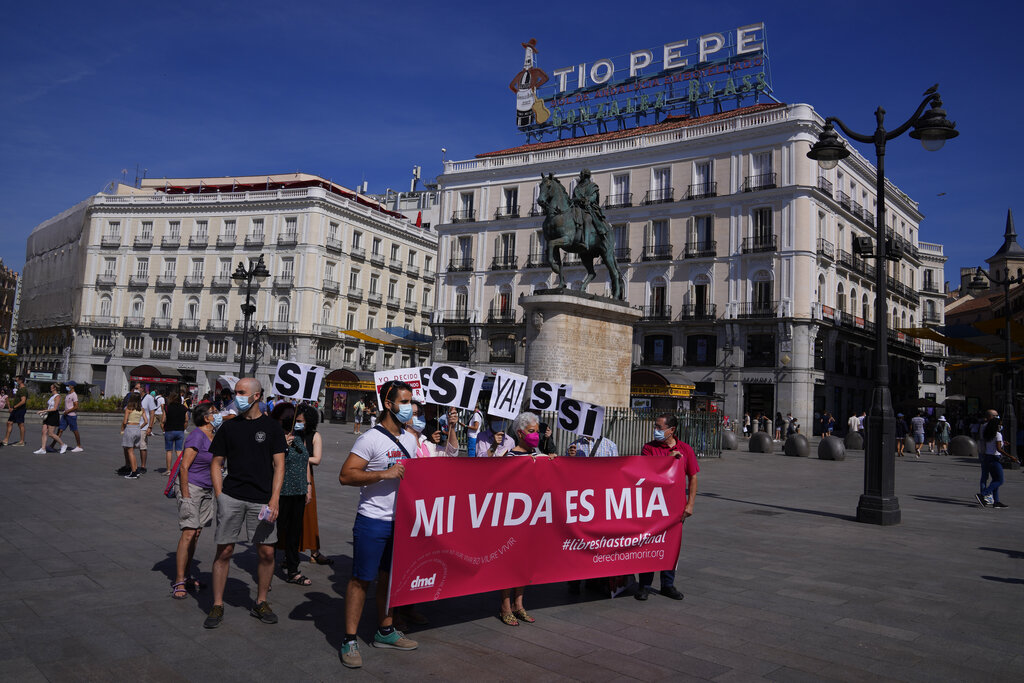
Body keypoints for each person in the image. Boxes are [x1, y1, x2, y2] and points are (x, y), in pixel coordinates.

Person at [338, 380, 419, 668]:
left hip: (402, 523)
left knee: (389, 578)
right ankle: (349, 638)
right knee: (361, 579)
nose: (410, 407)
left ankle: (385, 630)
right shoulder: (370, 439)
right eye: (405, 401)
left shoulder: (411, 438)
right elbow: (346, 475)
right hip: (373, 520)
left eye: (411, 401)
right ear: (389, 404)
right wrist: (382, 474)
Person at [203, 378, 287, 630]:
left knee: (267, 552)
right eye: (235, 392)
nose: (236, 396)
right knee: (225, 550)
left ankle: (261, 601)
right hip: (232, 497)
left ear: (257, 396)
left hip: (262, 499)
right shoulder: (229, 428)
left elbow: (279, 465)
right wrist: (220, 495)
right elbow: (216, 463)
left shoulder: (272, 427)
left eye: (241, 392)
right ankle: (217, 603)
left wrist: (274, 498)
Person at [496, 411, 552, 626]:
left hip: (532, 518)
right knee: (508, 564)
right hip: (511, 519)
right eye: (531, 431)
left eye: (537, 431)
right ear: (520, 433)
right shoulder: (508, 457)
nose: (535, 435)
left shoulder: (540, 457)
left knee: (524, 563)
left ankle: (519, 604)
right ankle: (505, 606)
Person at [636, 414, 699, 602]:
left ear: (672, 430)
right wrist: (667, 459)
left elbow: (693, 477)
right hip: (652, 506)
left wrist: (690, 503)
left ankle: (667, 585)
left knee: (671, 545)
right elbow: (645, 473)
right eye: (656, 426)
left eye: (659, 427)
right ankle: (644, 585)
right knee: (648, 545)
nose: (656, 430)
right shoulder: (649, 448)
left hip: (675, 507)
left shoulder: (686, 449)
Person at [170, 403, 220, 599]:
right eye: (214, 413)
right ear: (206, 418)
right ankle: (179, 579)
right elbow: (184, 467)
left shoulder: (214, 436)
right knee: (189, 533)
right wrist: (186, 495)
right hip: (191, 487)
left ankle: (188, 574)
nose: (217, 415)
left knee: (196, 533)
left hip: (207, 489)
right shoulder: (197, 436)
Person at [270, 403, 313, 586]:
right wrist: (282, 446)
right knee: (276, 532)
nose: (294, 421)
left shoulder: (299, 437)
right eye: (289, 418)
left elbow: (306, 462)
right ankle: (267, 570)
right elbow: (271, 464)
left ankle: (293, 569)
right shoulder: (275, 436)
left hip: (299, 489)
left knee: (295, 532)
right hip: (282, 490)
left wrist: (308, 485)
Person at [298, 404, 333, 566]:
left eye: (301, 421)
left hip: (306, 477)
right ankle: (291, 551)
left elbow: (317, 459)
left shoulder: (314, 436)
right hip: (289, 477)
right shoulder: (291, 434)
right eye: (296, 420)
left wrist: (300, 456)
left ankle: (314, 551)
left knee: (309, 515)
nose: (298, 423)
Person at [977, 411, 1018, 508]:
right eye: (1000, 424)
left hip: (987, 457)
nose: (1001, 426)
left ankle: (996, 501)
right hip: (995, 458)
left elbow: (994, 444)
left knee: (994, 480)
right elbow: (999, 449)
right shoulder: (998, 434)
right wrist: (1011, 456)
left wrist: (1003, 443)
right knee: (1000, 480)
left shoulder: (989, 433)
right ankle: (983, 494)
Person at [35, 384, 67, 454]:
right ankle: (43, 449)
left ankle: (63, 445)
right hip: (48, 415)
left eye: (51, 387)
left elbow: (55, 408)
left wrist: (43, 411)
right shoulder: (52, 396)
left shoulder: (57, 396)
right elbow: (50, 407)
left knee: (51, 433)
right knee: (44, 432)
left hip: (54, 415)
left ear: (54, 388)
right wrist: (44, 412)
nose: (50, 388)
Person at [162, 391, 188, 473]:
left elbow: (163, 420)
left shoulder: (167, 407)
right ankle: (181, 469)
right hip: (180, 430)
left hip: (169, 430)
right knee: (179, 451)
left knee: (169, 451)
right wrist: (183, 428)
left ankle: (168, 470)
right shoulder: (184, 408)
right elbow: (186, 420)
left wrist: (163, 429)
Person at [53, 381, 83, 452]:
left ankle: (79, 446)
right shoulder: (68, 394)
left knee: (75, 430)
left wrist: (68, 411)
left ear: (72, 386)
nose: (67, 386)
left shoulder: (74, 395)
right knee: (60, 430)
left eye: (68, 385)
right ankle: (52, 445)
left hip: (71, 416)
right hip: (65, 415)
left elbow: (76, 406)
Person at [119, 394, 145, 478]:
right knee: (131, 451)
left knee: (130, 451)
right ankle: (135, 469)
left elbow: (124, 421)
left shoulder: (128, 409)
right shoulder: (141, 409)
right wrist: (139, 427)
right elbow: (146, 421)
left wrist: (122, 429)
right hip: (137, 429)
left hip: (130, 428)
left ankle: (133, 472)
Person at [139, 389, 159, 474]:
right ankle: (128, 465)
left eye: (137, 388)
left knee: (142, 446)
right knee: (129, 447)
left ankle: (143, 466)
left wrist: (150, 427)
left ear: (142, 389)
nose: (136, 390)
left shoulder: (149, 398)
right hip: (133, 425)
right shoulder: (134, 397)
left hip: (144, 426)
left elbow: (152, 413)